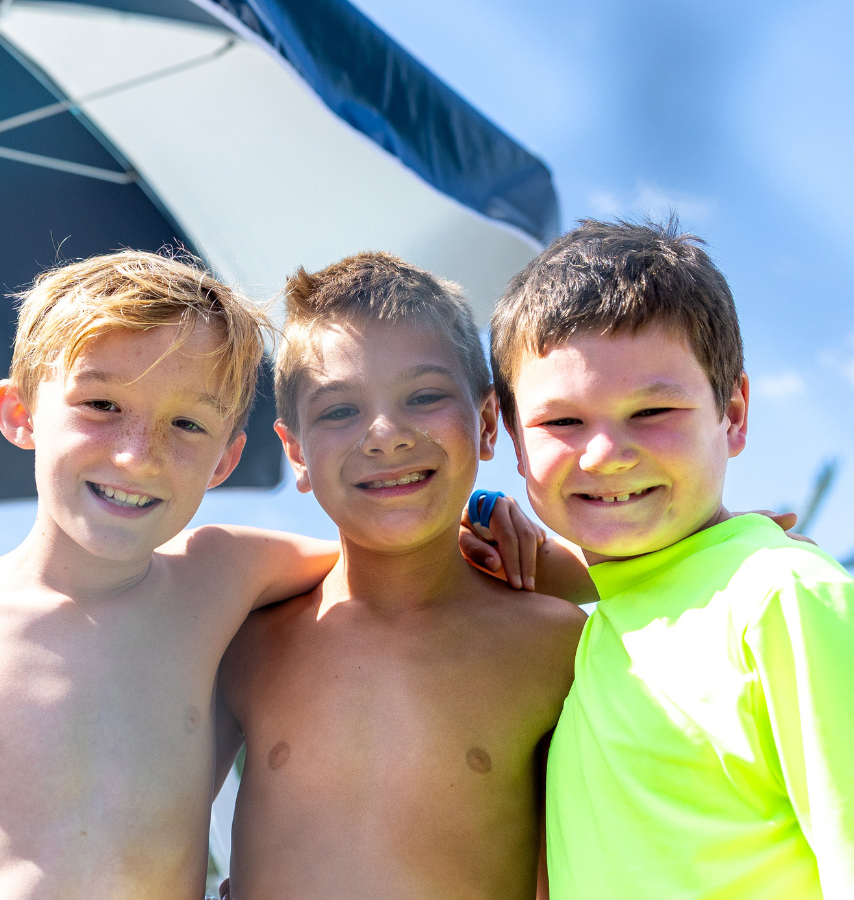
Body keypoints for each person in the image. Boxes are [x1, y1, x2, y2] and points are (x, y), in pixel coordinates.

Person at [0, 251, 359, 899]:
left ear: (225, 460)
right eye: (102, 404)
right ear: (20, 414)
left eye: (187, 423)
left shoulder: (222, 577)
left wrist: (487, 526)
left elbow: (389, 557)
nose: (136, 454)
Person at [490, 218, 854, 899]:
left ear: (732, 414)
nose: (604, 454)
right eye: (562, 422)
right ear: (510, 439)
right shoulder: (596, 630)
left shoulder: (783, 596)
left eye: (652, 412)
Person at [216, 252, 588, 899]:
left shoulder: (556, 645)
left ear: (489, 422)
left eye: (423, 397)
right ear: (297, 452)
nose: (385, 435)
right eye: (339, 411)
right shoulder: (244, 640)